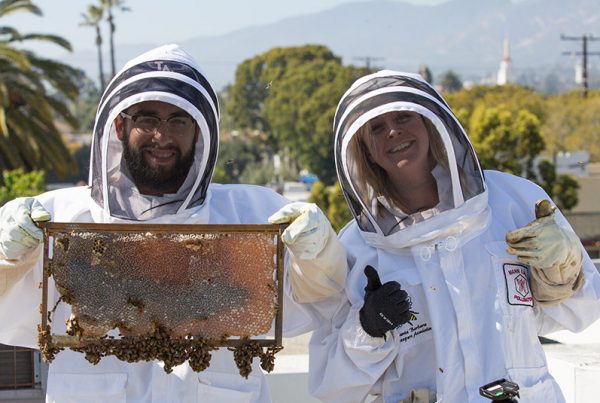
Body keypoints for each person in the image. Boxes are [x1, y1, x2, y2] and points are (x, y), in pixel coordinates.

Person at [0, 44, 346, 402]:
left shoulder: (250, 214)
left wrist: (318, 251)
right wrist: (8, 256)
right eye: (147, 118)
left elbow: (323, 295)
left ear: (198, 132)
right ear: (120, 125)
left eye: (178, 120)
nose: (162, 136)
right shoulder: (64, 218)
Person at [307, 70, 600, 402]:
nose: (392, 131)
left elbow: (582, 312)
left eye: (403, 116)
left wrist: (562, 266)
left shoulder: (512, 201)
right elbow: (331, 387)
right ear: (366, 151)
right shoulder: (357, 250)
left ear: (432, 124)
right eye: (376, 127)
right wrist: (368, 330)